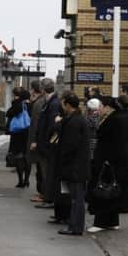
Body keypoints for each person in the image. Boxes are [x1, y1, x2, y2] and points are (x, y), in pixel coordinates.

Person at [87, 96, 128, 232]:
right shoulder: (123, 117)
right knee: (111, 190)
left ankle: (101, 222)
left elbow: (114, 142)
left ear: (108, 107)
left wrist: (107, 160)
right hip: (116, 161)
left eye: (101, 106)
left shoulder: (114, 120)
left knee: (103, 191)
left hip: (108, 161)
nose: (99, 109)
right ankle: (112, 221)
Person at [55, 93, 90, 236]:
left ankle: (74, 226)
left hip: (74, 167)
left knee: (76, 199)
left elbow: (70, 145)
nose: (62, 107)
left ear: (68, 105)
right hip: (77, 166)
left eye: (63, 104)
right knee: (76, 198)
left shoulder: (74, 122)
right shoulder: (77, 119)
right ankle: (75, 225)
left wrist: (62, 158)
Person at [33, 78, 60, 209]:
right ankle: (48, 197)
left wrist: (45, 142)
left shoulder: (53, 103)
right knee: (45, 172)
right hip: (45, 143)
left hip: (47, 145)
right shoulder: (50, 101)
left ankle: (49, 198)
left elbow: (51, 125)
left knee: (47, 172)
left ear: (43, 89)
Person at [6, 87, 31, 187]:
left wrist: (15, 102)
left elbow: (9, 113)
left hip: (18, 134)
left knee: (19, 157)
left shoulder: (17, 104)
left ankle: (21, 181)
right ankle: (27, 180)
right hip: (28, 132)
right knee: (27, 157)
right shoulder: (29, 105)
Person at [27, 80, 47, 202]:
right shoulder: (41, 101)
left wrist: (34, 140)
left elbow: (36, 123)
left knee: (42, 169)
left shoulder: (40, 103)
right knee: (40, 169)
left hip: (40, 142)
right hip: (40, 141)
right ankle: (42, 193)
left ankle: (43, 194)